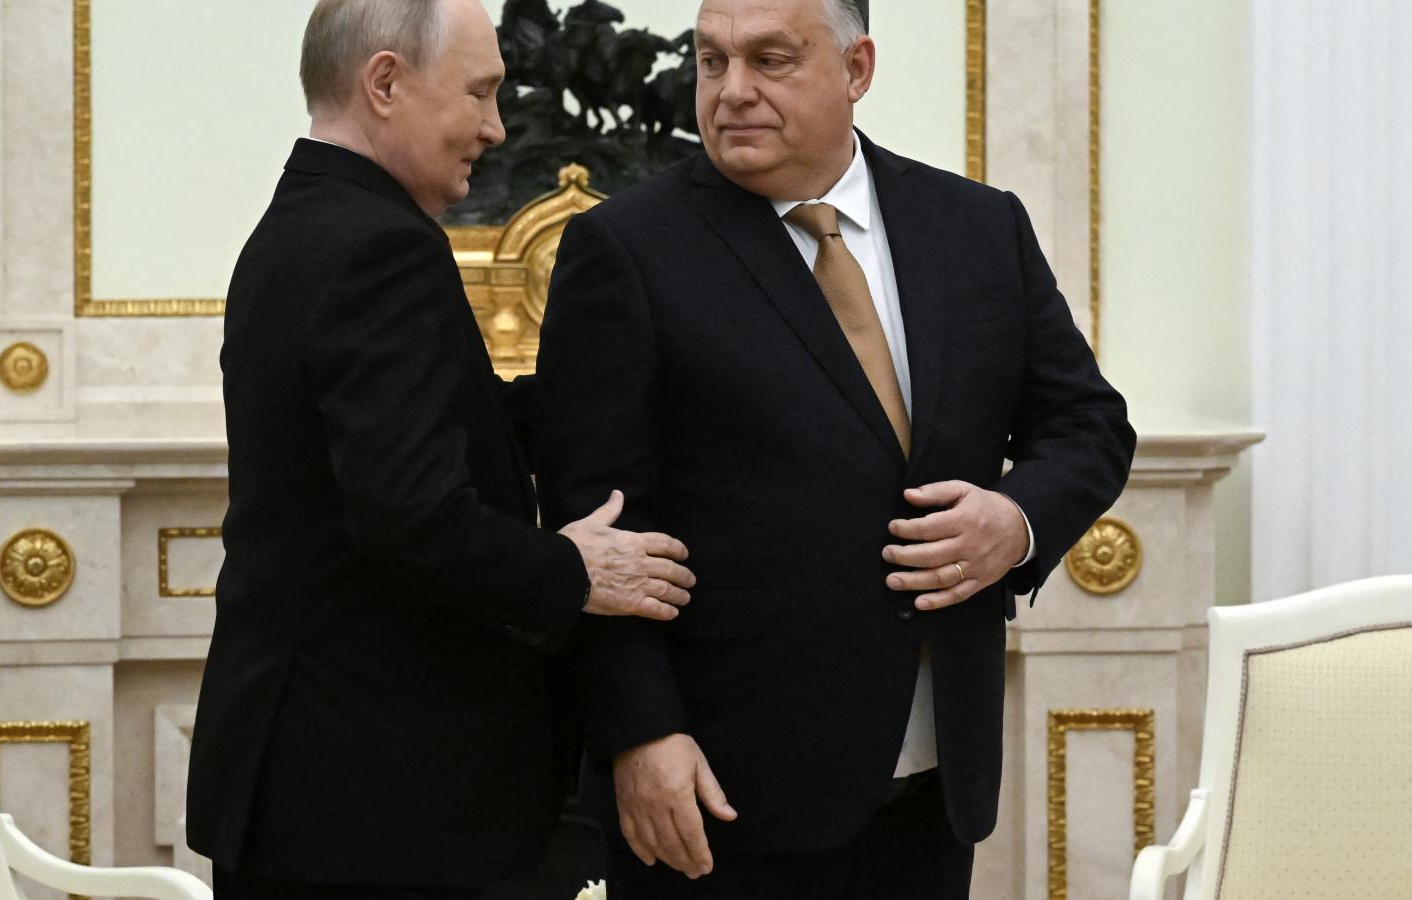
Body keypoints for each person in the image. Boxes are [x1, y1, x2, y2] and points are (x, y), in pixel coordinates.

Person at [534, 0, 1136, 896]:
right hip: (723, 793)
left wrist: (1015, 522)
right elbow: (601, 527)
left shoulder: (978, 226)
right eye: (712, 61)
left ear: (857, 69)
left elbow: (1088, 423)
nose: (732, 91)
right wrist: (639, 734)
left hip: (936, 786)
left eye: (770, 60)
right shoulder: (625, 248)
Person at [185, 1, 697, 897]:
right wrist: (575, 570)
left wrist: (631, 389)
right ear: (386, 83)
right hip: (372, 801)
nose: (495, 128)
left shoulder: (305, 224)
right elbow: (415, 519)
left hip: (309, 782)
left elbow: (447, 426)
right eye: (480, 93)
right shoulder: (380, 246)